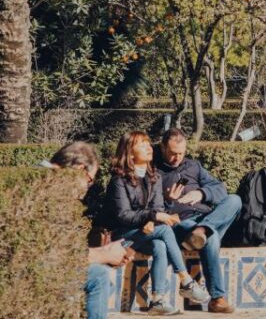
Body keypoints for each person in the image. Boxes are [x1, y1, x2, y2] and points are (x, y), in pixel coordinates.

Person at [104, 131, 210, 315]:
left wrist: (152, 219)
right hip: (123, 236)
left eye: (148, 143)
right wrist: (152, 217)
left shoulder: (155, 177)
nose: (148, 147)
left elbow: (159, 208)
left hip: (148, 233)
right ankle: (186, 280)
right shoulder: (118, 181)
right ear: (130, 153)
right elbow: (123, 216)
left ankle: (157, 300)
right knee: (165, 231)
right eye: (142, 144)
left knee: (160, 245)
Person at [155, 128, 241, 314]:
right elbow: (152, 208)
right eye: (172, 153)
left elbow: (220, 189)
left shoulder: (194, 166)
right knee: (211, 239)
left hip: (204, 218)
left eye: (181, 153)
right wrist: (169, 201)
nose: (177, 158)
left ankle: (203, 230)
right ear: (163, 148)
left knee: (235, 200)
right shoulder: (155, 172)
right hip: (181, 223)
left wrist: (202, 193)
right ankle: (217, 299)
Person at [41, 142, 131, 319]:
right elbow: (51, 255)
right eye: (89, 181)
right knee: (99, 277)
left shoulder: (43, 179)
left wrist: (103, 251)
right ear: (81, 169)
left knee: (103, 282)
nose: (86, 189)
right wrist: (104, 256)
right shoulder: (46, 187)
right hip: (36, 272)